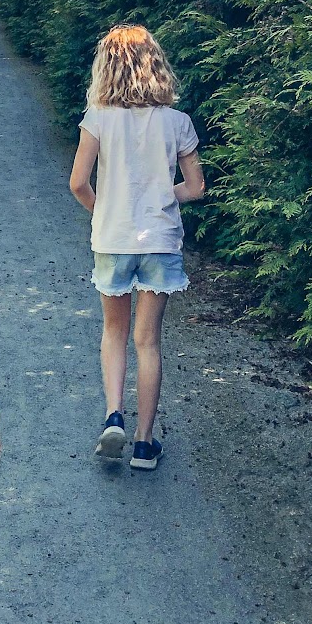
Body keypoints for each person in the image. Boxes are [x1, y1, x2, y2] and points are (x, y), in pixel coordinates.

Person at [69, 25, 205, 470]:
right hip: (160, 242)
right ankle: (145, 444)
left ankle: (114, 416)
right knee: (148, 341)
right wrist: (162, 197)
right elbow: (196, 188)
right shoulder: (178, 122)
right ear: (156, 65)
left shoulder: (98, 117)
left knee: (114, 332)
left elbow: (78, 183)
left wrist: (105, 210)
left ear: (106, 68)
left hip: (114, 240)